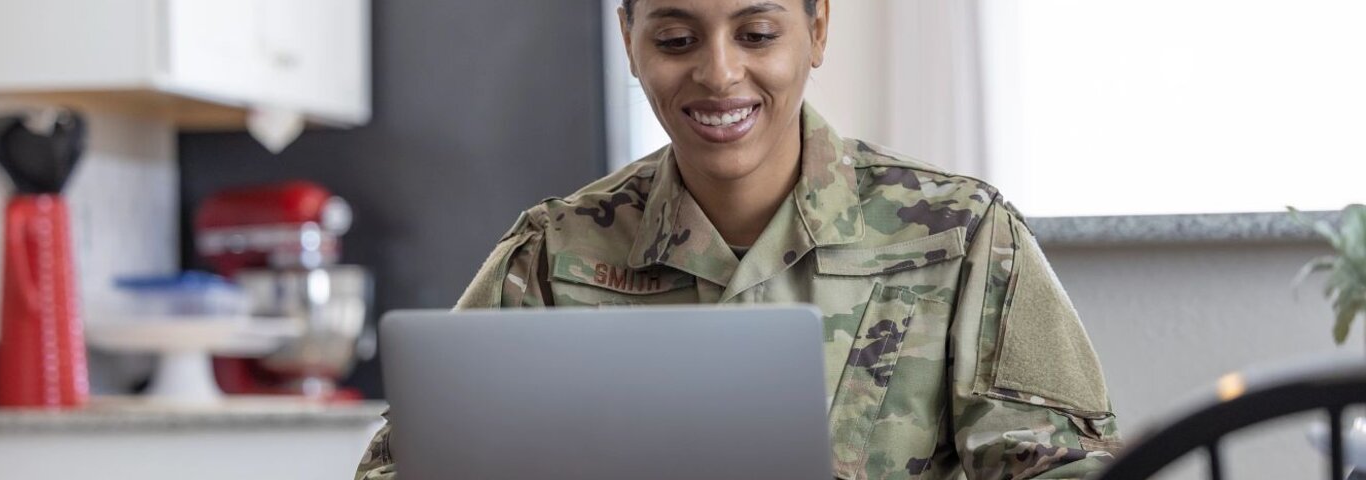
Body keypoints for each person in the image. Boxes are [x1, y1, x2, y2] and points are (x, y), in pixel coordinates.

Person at [356, 0, 1121, 478]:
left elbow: (1065, 470)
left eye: (756, 32)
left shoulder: (964, 238)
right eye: (678, 38)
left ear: (817, 28)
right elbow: (401, 468)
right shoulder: (553, 256)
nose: (720, 74)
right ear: (629, 39)